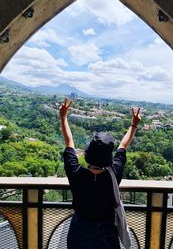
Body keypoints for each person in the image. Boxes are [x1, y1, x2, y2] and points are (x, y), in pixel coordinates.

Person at [59, 98, 141, 249]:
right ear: (108, 157)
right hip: (106, 232)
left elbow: (69, 142)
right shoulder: (113, 174)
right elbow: (123, 145)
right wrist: (134, 125)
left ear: (88, 153)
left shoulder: (75, 172)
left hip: (80, 229)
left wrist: (63, 117)